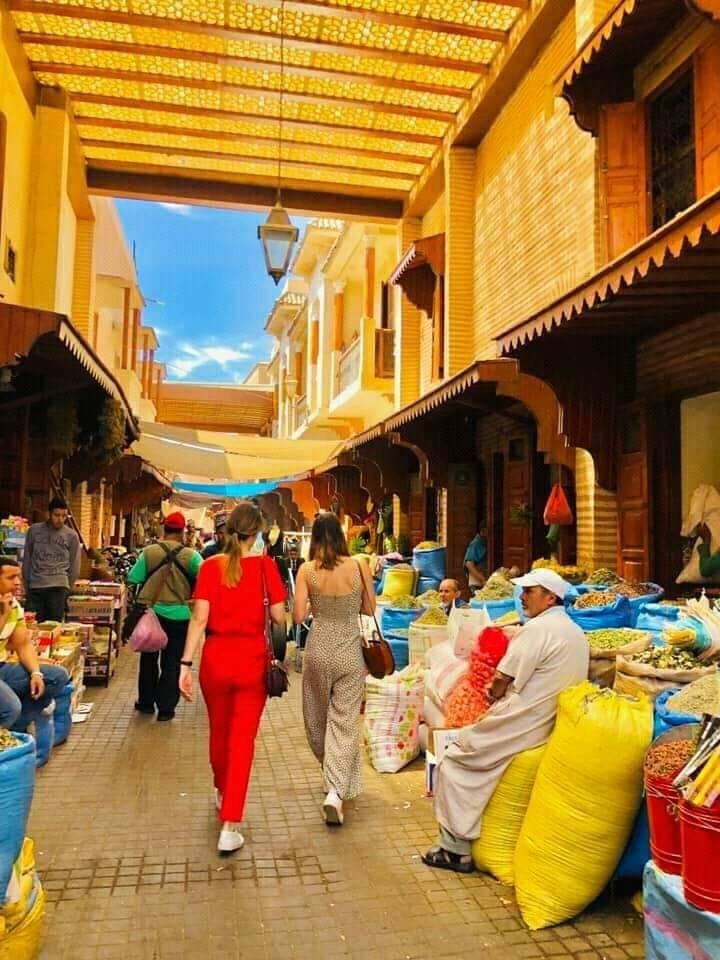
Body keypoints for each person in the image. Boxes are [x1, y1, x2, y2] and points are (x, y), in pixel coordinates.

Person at [423, 568, 589, 873]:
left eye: (529, 591)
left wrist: (491, 695)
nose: (522, 597)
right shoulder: (575, 632)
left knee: (456, 759)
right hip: (551, 721)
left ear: (550, 597)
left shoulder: (538, 629)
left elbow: (501, 679)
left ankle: (455, 849)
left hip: (522, 721)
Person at [178, 502, 286, 854]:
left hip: (215, 659)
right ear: (256, 534)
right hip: (252, 659)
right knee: (242, 741)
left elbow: (199, 620)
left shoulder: (210, 568)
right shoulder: (266, 568)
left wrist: (184, 664)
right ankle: (230, 822)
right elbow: (279, 617)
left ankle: (221, 789)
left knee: (219, 732)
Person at [293, 514, 375, 826]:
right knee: (344, 722)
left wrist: (317, 605)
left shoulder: (306, 570)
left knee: (316, 719)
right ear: (341, 537)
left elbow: (298, 615)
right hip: (350, 651)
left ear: (314, 538)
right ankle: (336, 791)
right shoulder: (359, 566)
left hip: (318, 648)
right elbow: (369, 609)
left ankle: (334, 782)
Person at [127, 511, 202, 721]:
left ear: (164, 529)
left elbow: (134, 578)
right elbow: (206, 578)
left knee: (149, 660)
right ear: (182, 532)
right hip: (180, 616)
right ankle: (167, 709)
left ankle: (146, 703)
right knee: (172, 663)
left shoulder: (149, 552)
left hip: (152, 616)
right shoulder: (192, 556)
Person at [0, 557, 68, 731]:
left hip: (3, 668)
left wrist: (36, 673)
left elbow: (22, 644)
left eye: (18, 577)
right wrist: (3, 615)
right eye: (11, 578)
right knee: (10, 708)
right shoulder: (8, 609)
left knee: (56, 677)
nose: (17, 583)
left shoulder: (13, 605)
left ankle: (16, 732)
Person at [22, 497, 81, 622]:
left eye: (64, 516)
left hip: (58, 587)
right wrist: (27, 584)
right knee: (32, 625)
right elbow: (27, 558)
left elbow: (75, 565)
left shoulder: (71, 536)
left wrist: (66, 586)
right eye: (56, 515)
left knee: (53, 627)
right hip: (36, 586)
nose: (60, 519)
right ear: (48, 514)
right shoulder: (34, 531)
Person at [464, 525, 488, 591]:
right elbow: (469, 564)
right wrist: (482, 579)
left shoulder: (484, 542)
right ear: (483, 530)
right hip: (477, 582)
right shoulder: (476, 544)